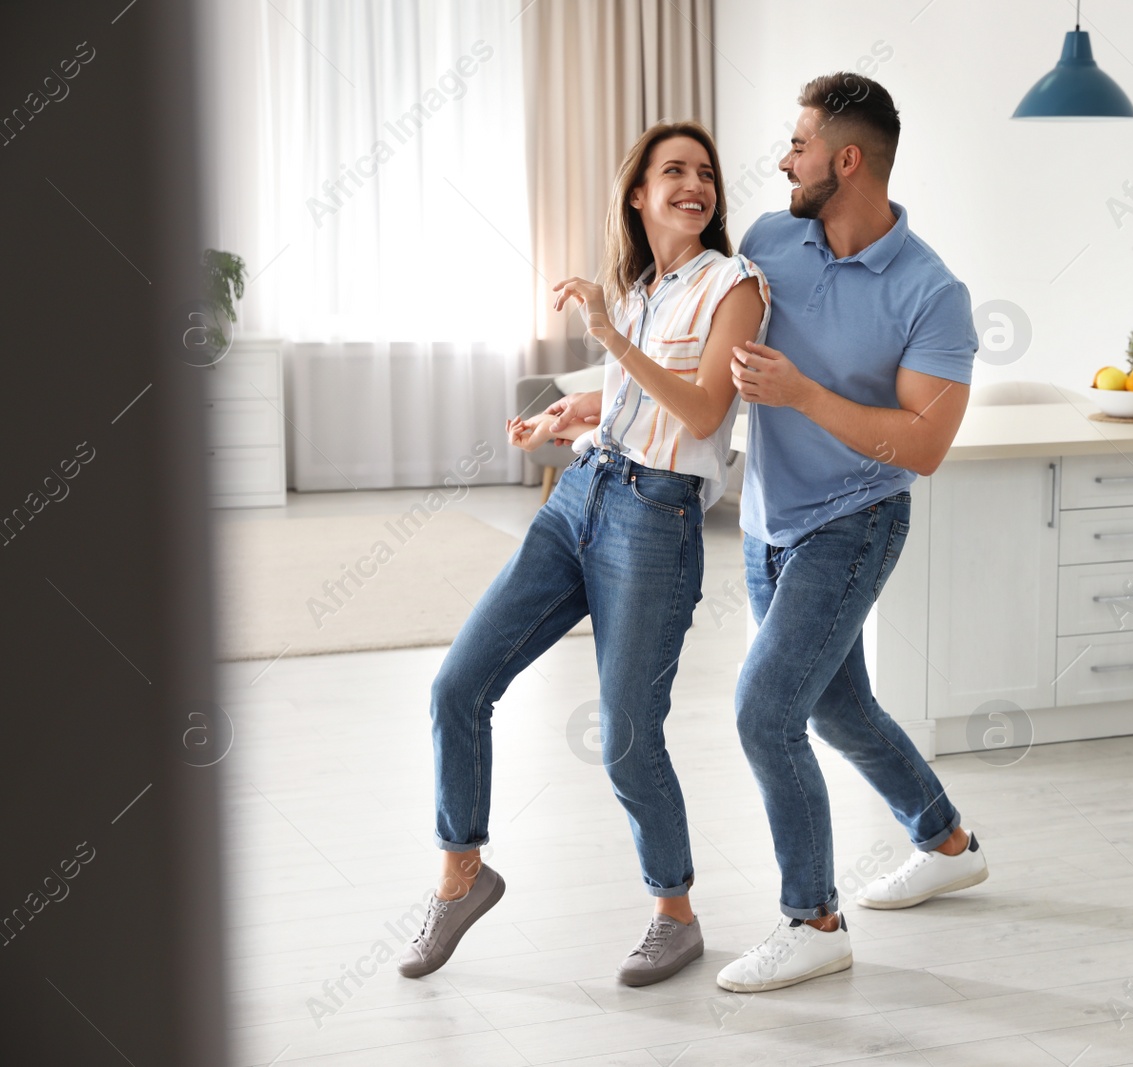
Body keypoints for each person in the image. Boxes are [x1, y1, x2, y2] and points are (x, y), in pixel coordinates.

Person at [396, 120, 770, 988]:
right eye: (672, 170)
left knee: (626, 740)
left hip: (656, 521)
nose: (695, 184)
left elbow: (706, 412)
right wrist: (574, 417)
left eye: (705, 173)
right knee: (458, 685)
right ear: (637, 194)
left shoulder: (734, 283)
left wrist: (607, 336)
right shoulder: (640, 286)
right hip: (582, 497)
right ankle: (462, 874)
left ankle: (674, 914)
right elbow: (642, 401)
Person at [713, 73, 987, 994]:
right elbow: (707, 357)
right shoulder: (768, 240)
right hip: (768, 522)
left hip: (856, 520)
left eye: (797, 144)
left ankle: (812, 919)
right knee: (835, 707)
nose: (783, 160)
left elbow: (924, 445)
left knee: (764, 711)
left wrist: (801, 395)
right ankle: (946, 840)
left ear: (846, 158)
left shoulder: (930, 292)